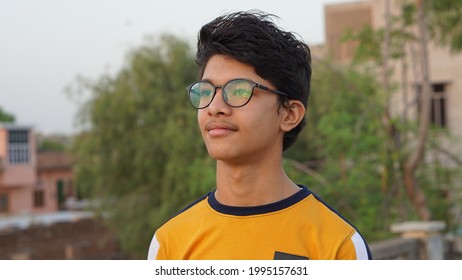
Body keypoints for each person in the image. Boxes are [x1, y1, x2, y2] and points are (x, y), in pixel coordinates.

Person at [148, 10, 372, 260]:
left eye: (239, 90)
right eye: (206, 90)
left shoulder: (338, 245)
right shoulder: (169, 243)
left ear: (289, 114)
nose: (215, 107)